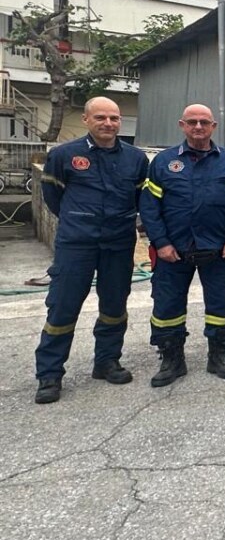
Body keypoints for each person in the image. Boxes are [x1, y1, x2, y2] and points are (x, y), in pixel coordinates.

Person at [33, 97, 148, 404]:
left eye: (114, 118)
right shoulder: (64, 155)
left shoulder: (136, 159)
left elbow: (141, 198)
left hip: (118, 243)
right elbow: (53, 196)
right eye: (100, 117)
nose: (108, 123)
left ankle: (107, 361)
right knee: (62, 307)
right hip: (76, 245)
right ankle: (50, 374)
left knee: (114, 306)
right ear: (86, 120)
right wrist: (78, 221)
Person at [140, 103, 225, 386]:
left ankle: (219, 356)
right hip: (173, 251)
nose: (198, 127)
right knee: (167, 306)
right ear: (182, 125)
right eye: (192, 122)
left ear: (214, 126)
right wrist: (160, 243)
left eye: (204, 122)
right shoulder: (163, 162)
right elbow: (150, 207)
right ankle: (172, 360)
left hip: (218, 249)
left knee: (222, 305)